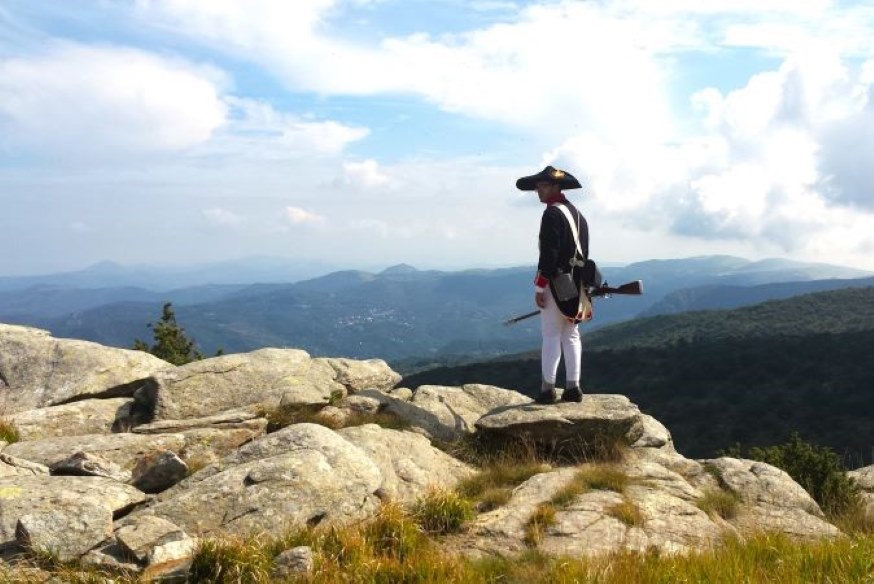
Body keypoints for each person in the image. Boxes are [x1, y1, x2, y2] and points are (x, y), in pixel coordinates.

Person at [516, 165, 590, 404]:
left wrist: (540, 287)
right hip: (576, 284)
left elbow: (549, 255)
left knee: (550, 335)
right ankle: (573, 387)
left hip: (556, 283)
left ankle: (548, 389)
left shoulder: (551, 214)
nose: (539, 191)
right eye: (538, 187)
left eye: (543, 186)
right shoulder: (578, 214)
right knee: (571, 334)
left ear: (556, 186)